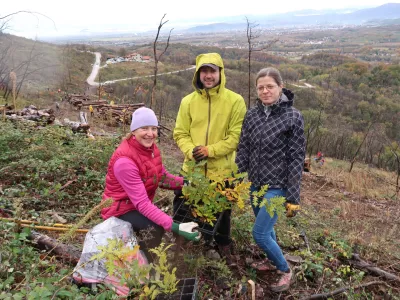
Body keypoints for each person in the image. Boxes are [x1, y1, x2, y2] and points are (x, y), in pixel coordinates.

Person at [235, 67, 305, 292]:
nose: (265, 91)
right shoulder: (252, 114)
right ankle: (272, 260)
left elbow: (296, 158)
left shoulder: (292, 117)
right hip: (255, 183)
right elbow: (244, 147)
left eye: (270, 86)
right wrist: (237, 176)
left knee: (260, 233)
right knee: (267, 229)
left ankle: (285, 270)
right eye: (261, 87)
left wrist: (293, 195)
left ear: (280, 87)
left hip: (278, 186)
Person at [173, 52, 247, 264]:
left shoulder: (235, 101)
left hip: (222, 171)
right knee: (183, 208)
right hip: (191, 170)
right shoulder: (187, 102)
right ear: (198, 74)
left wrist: (210, 151)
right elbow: (180, 133)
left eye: (212, 70)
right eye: (203, 71)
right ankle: (182, 243)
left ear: (220, 73)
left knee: (222, 212)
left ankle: (221, 243)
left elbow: (236, 137)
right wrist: (191, 150)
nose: (208, 75)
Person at [100, 107, 200, 262]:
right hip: (119, 209)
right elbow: (142, 203)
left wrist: (186, 183)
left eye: (154, 129)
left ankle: (140, 258)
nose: (150, 133)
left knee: (155, 225)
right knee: (154, 228)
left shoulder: (150, 149)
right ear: (134, 131)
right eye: (144, 128)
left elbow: (161, 177)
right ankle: (141, 265)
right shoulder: (125, 161)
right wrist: (175, 227)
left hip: (132, 205)